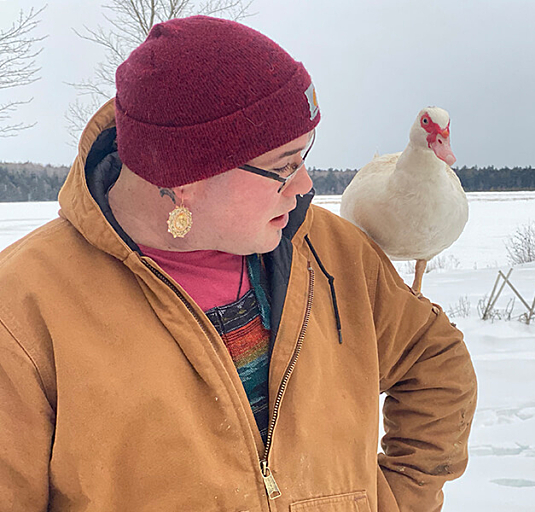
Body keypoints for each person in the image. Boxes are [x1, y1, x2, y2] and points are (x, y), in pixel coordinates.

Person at [0, 15, 476, 512]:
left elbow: (436, 363)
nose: (306, 186)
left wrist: (397, 498)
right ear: (184, 177)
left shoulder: (332, 252)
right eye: (283, 167)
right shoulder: (22, 312)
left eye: (304, 156)